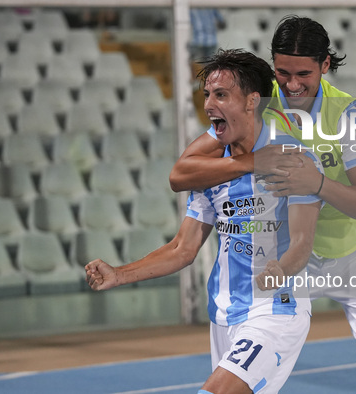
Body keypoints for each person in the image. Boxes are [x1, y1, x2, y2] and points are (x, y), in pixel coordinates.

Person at [170, 16, 356, 394]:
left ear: (326, 65)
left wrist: (315, 183)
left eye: (304, 73)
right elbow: (183, 172)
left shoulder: (348, 114)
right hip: (293, 251)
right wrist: (253, 161)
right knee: (247, 370)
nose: (292, 84)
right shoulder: (255, 102)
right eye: (282, 72)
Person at [86, 49, 323, 394]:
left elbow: (303, 241)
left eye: (221, 95)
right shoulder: (212, 170)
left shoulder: (293, 159)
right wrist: (119, 274)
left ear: (252, 101)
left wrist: (283, 270)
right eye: (207, 95)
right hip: (224, 316)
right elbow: (183, 248)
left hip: (275, 310)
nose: (209, 104)